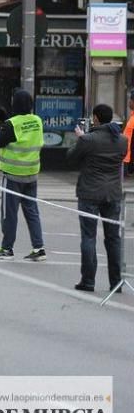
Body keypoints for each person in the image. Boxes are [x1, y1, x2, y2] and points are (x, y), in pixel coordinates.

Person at [68, 104, 126, 292]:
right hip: (113, 193)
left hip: (90, 192)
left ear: (96, 118)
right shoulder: (122, 140)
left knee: (88, 236)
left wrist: (80, 138)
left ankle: (88, 280)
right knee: (113, 238)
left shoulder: (88, 140)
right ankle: (116, 282)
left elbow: (71, 157)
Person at [0, 89, 45, 261]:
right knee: (32, 212)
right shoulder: (37, 120)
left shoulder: (13, 123)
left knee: (9, 213)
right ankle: (38, 248)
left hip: (13, 175)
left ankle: (7, 248)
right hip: (32, 174)